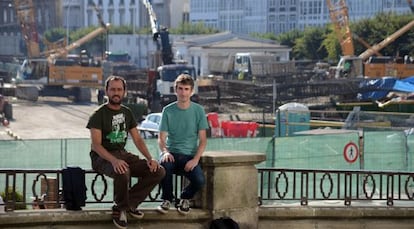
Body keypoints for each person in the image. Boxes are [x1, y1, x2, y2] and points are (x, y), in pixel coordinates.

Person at [86, 75, 165, 229]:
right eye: (113, 89)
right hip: (102, 157)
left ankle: (130, 204)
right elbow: (96, 145)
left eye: (119, 89)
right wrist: (114, 161)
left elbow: (137, 139)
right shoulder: (98, 114)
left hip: (122, 153)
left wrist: (150, 158)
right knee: (123, 171)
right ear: (106, 91)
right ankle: (121, 209)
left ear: (124, 92)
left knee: (158, 171)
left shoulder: (127, 112)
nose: (116, 93)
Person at [157, 74, 209, 215]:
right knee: (164, 165)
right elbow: (161, 139)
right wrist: (165, 152)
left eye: (186, 89)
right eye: (180, 89)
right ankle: (167, 199)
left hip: (189, 156)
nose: (183, 92)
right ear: (175, 90)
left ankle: (185, 198)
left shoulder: (198, 111)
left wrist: (196, 159)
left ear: (191, 91)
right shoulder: (168, 110)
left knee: (199, 180)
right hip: (171, 153)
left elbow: (203, 140)